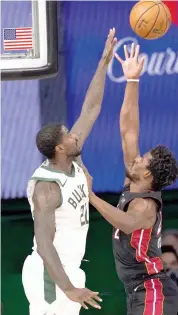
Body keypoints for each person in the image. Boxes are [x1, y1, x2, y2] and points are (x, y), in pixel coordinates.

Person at [22, 28, 117, 315]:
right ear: (59, 149)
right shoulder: (46, 187)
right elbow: (44, 244)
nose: (74, 136)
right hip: (50, 276)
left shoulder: (71, 160)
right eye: (68, 136)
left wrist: (103, 63)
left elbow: (91, 109)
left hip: (69, 270)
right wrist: (68, 287)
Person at [85, 43, 178, 315]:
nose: (136, 158)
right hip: (140, 290)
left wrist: (91, 196)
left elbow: (124, 222)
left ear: (147, 173)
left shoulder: (146, 207)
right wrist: (132, 79)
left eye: (142, 160)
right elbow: (128, 129)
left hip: (153, 291)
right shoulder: (135, 181)